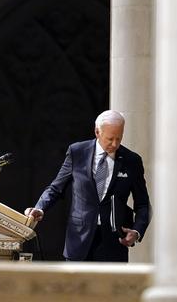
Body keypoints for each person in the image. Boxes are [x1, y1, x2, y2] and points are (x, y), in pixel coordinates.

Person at [25, 110, 151, 262]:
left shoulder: (132, 160)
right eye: (110, 139)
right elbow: (55, 188)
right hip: (78, 240)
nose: (115, 144)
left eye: (119, 138)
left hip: (114, 244)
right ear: (97, 132)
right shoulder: (77, 152)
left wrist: (137, 231)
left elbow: (143, 204)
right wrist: (40, 208)